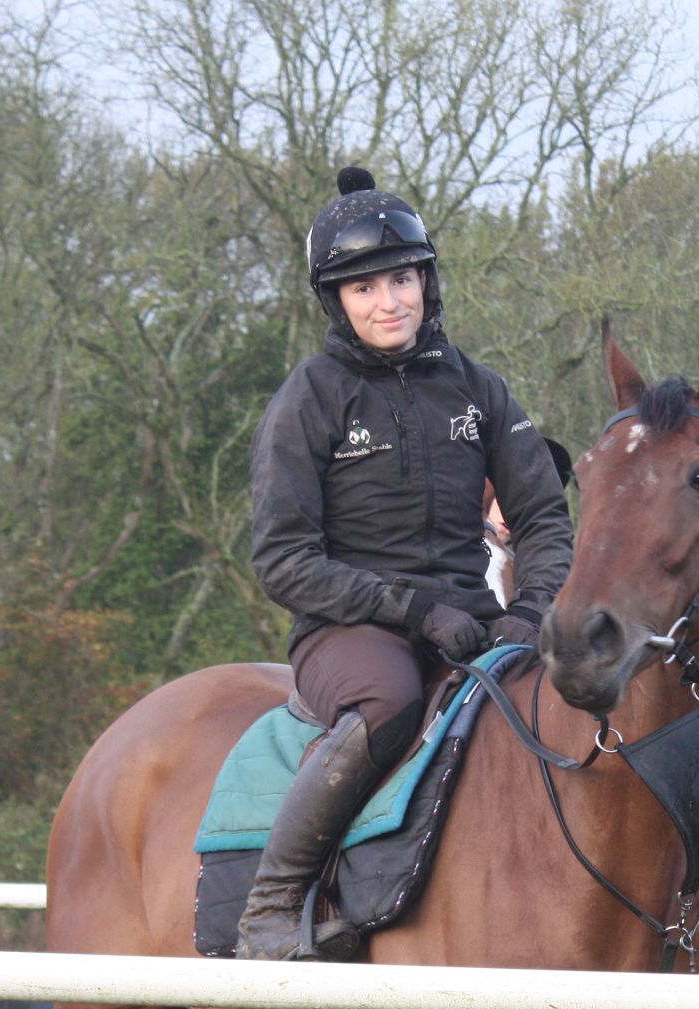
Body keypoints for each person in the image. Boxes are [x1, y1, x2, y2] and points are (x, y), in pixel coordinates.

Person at [239, 165, 574, 962]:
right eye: (364, 289)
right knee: (390, 698)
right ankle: (274, 900)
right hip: (347, 631)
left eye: (400, 279)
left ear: (426, 281)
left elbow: (545, 519)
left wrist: (529, 612)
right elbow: (284, 560)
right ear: (337, 302)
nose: (388, 302)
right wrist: (417, 612)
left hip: (478, 619)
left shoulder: (480, 391)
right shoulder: (309, 398)